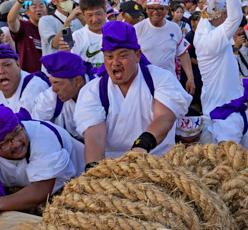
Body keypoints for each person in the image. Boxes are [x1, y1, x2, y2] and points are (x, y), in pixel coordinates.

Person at [74, 21, 191, 165]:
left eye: (122, 56)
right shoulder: (93, 90)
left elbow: (164, 117)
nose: (115, 63)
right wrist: (93, 169)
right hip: (113, 166)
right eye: (109, 57)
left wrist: (142, 146)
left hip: (159, 160)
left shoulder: (160, 78)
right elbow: (95, 135)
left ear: (137, 55)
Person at [194, 0, 245, 116]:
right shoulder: (214, 39)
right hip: (223, 109)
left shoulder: (202, 29)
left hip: (214, 104)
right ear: (223, 16)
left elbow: (210, 3)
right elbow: (236, 16)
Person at [134, 0, 196, 93]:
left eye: (160, 8)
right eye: (151, 8)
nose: (155, 12)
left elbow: (183, 54)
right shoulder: (137, 29)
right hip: (143, 84)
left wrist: (190, 78)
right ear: (146, 9)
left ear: (167, 9)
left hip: (168, 84)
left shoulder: (174, 28)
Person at [33, 51, 97, 140]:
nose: (53, 89)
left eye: (57, 83)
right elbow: (36, 128)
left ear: (77, 81)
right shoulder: (50, 97)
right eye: (51, 82)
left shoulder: (100, 89)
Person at [0, 43, 50, 113]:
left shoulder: (36, 88)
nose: (1, 71)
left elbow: (39, 124)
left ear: (18, 64)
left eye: (7, 65)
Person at [7, 0, 45, 73]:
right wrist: (20, 0)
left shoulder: (51, 28)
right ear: (27, 12)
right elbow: (11, 20)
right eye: (34, 7)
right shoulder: (24, 26)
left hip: (50, 77)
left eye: (42, 6)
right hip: (29, 78)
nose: (38, 9)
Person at [66, 0, 107, 67]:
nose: (94, 19)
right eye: (89, 15)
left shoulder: (119, 32)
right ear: (83, 15)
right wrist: (65, 53)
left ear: (105, 10)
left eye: (98, 14)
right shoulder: (77, 37)